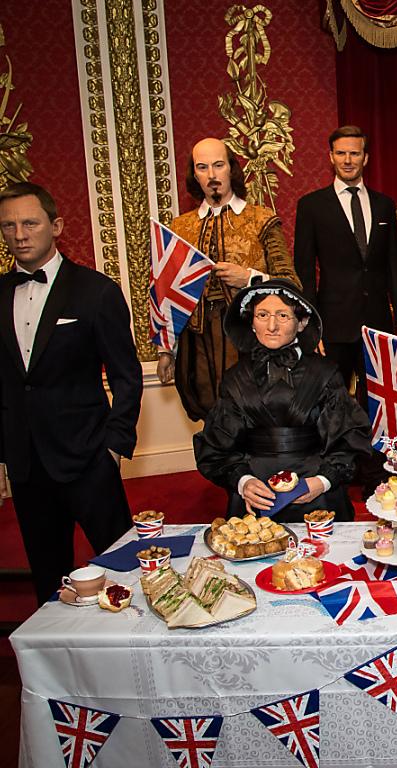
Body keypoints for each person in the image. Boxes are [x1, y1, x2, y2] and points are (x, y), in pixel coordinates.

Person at [0, 182, 142, 604]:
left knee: (125, 569)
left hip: (88, 456)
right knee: (49, 579)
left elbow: (127, 376)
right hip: (27, 463)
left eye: (30, 223)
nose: (19, 234)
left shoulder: (95, 291)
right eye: (8, 226)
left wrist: (113, 446)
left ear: (56, 226)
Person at [294, 125, 397, 496]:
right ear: (331, 157)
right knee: (329, 404)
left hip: (378, 323)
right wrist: (309, 325)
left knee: (377, 404)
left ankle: (375, 475)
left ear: (365, 158)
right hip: (331, 323)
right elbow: (303, 271)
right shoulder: (312, 205)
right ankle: (333, 477)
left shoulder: (384, 204)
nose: (348, 160)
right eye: (341, 153)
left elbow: (394, 267)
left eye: (355, 153)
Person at [193, 279, 371, 523]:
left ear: (302, 322)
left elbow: (348, 439)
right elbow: (217, 446)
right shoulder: (234, 378)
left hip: (316, 491)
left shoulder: (326, 374)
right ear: (251, 322)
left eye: (283, 315)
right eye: (262, 315)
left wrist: (323, 481)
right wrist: (243, 482)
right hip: (256, 497)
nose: (272, 326)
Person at [157, 137, 299, 421]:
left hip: (248, 337)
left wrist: (248, 277)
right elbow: (167, 294)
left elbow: (290, 283)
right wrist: (166, 351)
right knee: (212, 421)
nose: (211, 175)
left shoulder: (261, 219)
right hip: (197, 341)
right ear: (194, 175)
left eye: (218, 165)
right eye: (202, 167)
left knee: (250, 419)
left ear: (231, 169)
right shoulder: (180, 227)